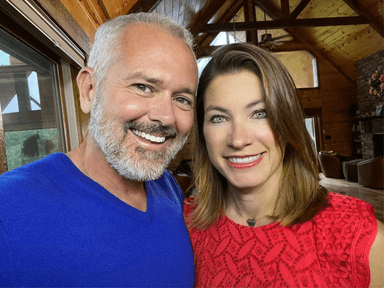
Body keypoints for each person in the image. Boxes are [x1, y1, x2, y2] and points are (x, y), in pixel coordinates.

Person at [0, 12, 198, 286]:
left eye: (182, 98)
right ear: (90, 90)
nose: (166, 117)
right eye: (143, 86)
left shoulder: (167, 187)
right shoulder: (8, 208)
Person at [184, 43, 384, 288]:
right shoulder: (184, 224)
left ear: (287, 119)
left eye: (260, 113)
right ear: (202, 131)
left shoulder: (357, 233)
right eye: (219, 118)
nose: (238, 139)